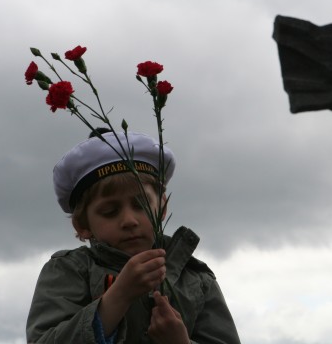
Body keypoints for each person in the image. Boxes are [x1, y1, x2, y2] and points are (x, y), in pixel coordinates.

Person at [26, 131, 241, 343]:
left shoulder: (198, 280)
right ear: (82, 225)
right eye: (110, 211)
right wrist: (118, 296)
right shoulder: (69, 271)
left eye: (141, 205)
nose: (129, 220)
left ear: (162, 206)